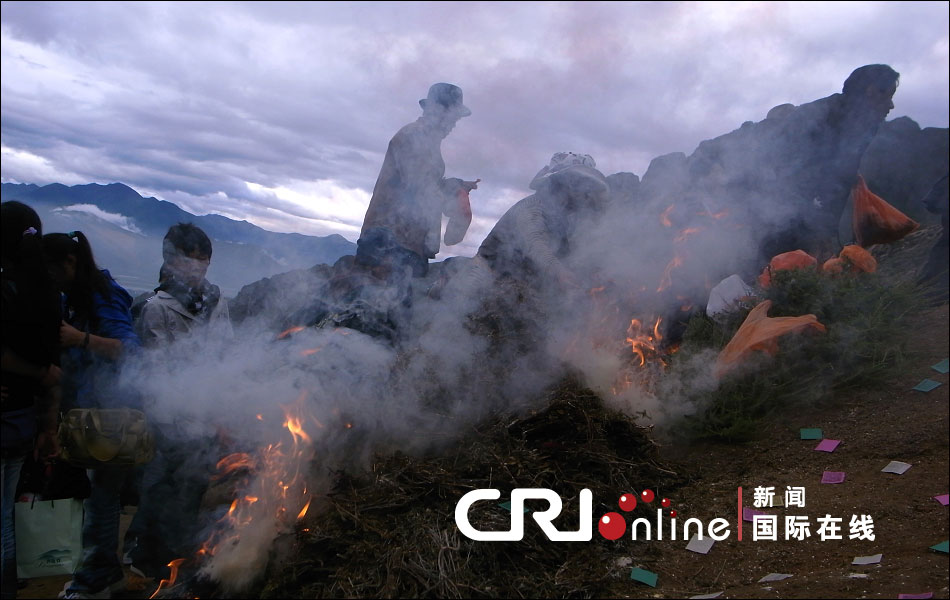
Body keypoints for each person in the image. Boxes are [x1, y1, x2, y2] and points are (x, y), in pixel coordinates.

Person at [127, 223, 231, 586]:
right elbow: (159, 367)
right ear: (170, 261)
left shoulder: (217, 302)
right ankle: (152, 562)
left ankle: (181, 559)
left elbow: (226, 354)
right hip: (170, 416)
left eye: (204, 261)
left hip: (206, 414)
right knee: (163, 489)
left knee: (196, 487)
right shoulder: (156, 308)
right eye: (191, 261)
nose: (199, 270)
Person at [42, 231, 141, 600]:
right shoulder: (73, 296)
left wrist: (80, 339)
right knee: (97, 495)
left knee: (101, 497)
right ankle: (105, 574)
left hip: (111, 412)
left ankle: (94, 581)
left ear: (69, 263)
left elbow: (129, 350)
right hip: (88, 411)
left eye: (50, 268)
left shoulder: (104, 295)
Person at [1, 201, 62, 600]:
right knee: (6, 516)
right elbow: (53, 369)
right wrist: (48, 427)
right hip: (22, 423)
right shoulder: (47, 290)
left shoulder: (4, 284)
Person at [358, 82, 479, 279]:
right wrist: (453, 200)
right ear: (438, 112)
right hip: (389, 241)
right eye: (453, 118)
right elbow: (420, 190)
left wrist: (457, 185)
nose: (453, 125)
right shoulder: (413, 136)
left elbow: (428, 183)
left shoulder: (428, 142)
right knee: (381, 305)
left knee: (399, 305)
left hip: (408, 242)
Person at [477, 152, 611, 290]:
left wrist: (592, 271)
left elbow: (571, 253)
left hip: (519, 287)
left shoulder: (564, 219)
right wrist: (560, 272)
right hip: (483, 282)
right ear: (558, 182)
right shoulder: (531, 206)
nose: (579, 192)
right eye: (574, 182)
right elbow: (536, 243)